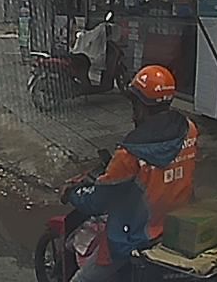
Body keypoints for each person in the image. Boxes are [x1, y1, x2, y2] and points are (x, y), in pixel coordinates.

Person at [66, 65, 198, 282]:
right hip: (175, 225)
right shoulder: (189, 129)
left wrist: (73, 193)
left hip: (136, 237)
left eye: (134, 104)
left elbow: (98, 201)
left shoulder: (129, 154)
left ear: (141, 106)